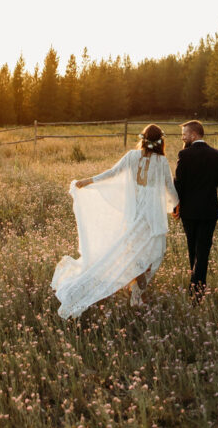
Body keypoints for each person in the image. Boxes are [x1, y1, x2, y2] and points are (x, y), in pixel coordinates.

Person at [51, 124, 178, 319]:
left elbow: (112, 173)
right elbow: (169, 186)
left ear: (143, 139)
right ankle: (136, 293)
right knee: (154, 255)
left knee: (136, 253)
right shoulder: (161, 161)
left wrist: (88, 181)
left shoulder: (131, 156)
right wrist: (177, 205)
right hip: (151, 218)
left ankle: (135, 288)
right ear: (161, 141)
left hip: (134, 216)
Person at [173, 120, 218, 300]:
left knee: (192, 249)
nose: (182, 137)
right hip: (208, 212)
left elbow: (178, 184)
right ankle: (197, 289)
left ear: (194, 135)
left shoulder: (184, 155)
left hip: (189, 213)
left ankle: (195, 287)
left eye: (184, 134)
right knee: (203, 251)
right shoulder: (217, 155)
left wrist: (175, 207)